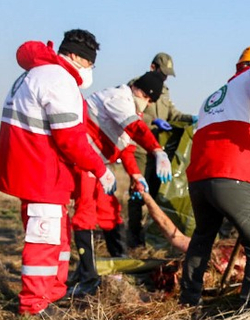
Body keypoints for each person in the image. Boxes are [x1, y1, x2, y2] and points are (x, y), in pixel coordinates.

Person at [0, 28, 115, 316]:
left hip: (42, 173)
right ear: (75, 56)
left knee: (58, 238)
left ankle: (52, 293)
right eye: (89, 63)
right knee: (44, 240)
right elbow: (70, 140)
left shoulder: (37, 73)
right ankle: (34, 305)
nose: (90, 71)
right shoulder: (58, 80)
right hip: (41, 172)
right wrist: (101, 168)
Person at [179, 46, 250, 309]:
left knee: (203, 238)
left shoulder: (215, 96)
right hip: (233, 175)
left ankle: (188, 300)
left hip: (199, 179)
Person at [64, 70, 171, 298]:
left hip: (99, 165)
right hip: (83, 160)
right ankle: (88, 277)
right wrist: (157, 151)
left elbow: (127, 148)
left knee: (110, 213)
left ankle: (118, 267)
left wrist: (136, 176)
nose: (147, 104)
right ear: (143, 93)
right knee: (86, 215)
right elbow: (135, 129)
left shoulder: (133, 110)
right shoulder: (118, 99)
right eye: (148, 99)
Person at [127, 52, 197, 248]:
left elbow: (173, 114)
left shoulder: (164, 92)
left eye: (167, 74)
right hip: (140, 149)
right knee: (138, 193)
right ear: (152, 67)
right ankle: (134, 237)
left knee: (157, 193)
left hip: (160, 151)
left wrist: (190, 118)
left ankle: (154, 234)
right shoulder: (136, 86)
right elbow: (130, 114)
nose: (165, 77)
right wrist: (152, 121)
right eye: (163, 72)